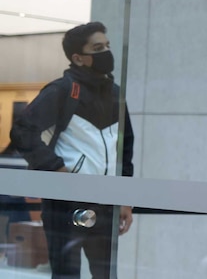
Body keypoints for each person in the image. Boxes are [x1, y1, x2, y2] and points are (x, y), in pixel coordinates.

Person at [10, 22, 134, 279]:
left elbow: (126, 147)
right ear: (78, 58)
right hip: (66, 205)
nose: (106, 52)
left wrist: (125, 198)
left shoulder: (115, 94)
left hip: (107, 203)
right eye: (97, 48)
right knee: (67, 275)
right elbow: (22, 132)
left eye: (107, 46)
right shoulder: (62, 90)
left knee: (106, 275)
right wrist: (57, 168)